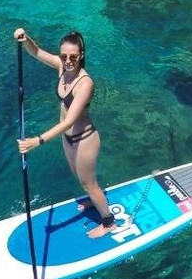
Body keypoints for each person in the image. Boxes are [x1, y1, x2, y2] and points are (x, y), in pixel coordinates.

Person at [13, 27, 116, 238]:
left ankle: (108, 222)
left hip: (85, 140)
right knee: (83, 181)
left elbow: (70, 120)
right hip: (68, 139)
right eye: (64, 56)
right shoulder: (62, 67)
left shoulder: (85, 83)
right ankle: (93, 199)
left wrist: (37, 141)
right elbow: (36, 52)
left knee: (89, 183)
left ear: (81, 56)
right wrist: (26, 39)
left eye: (73, 57)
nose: (68, 60)